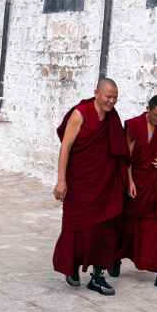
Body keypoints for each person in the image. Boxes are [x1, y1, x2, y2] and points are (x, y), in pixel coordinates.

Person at [53, 78, 127, 296]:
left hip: (105, 183)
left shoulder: (112, 117)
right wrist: (61, 180)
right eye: (108, 96)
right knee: (77, 226)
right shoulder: (80, 114)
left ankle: (98, 276)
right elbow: (65, 147)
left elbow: (119, 149)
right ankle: (72, 266)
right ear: (96, 93)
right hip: (81, 182)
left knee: (105, 229)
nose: (111, 101)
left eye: (115, 98)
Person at [113, 95, 157, 291]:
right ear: (148, 109)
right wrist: (130, 182)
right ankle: (115, 257)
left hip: (156, 187)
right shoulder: (134, 126)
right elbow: (126, 157)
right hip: (136, 184)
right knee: (128, 225)